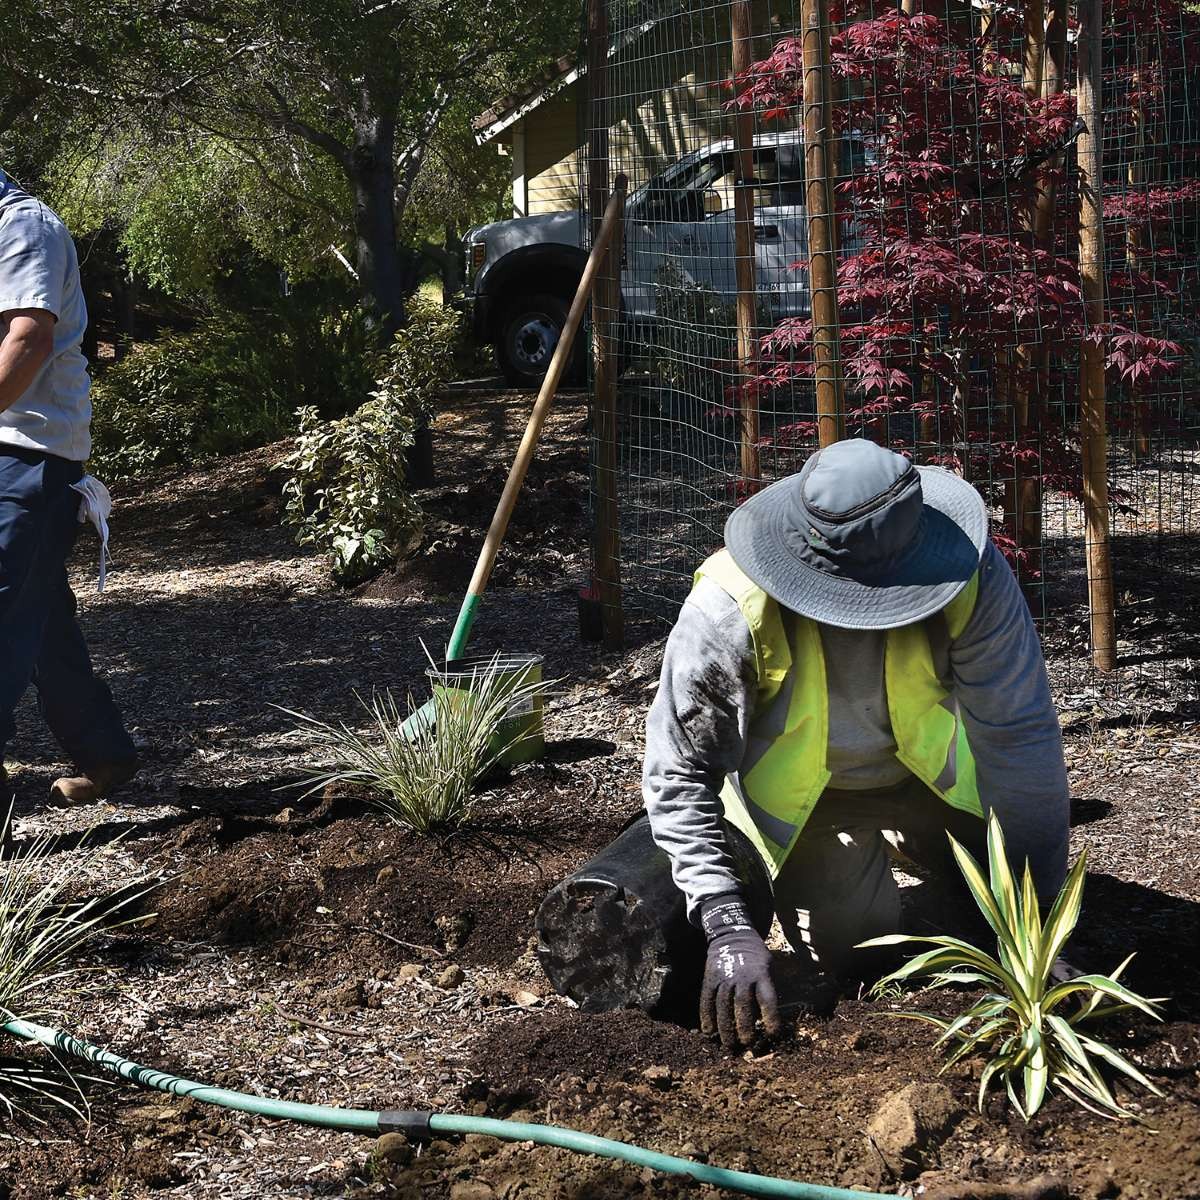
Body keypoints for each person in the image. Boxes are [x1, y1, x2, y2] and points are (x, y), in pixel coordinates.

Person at [642, 438, 1071, 1048]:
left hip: (935, 783)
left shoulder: (969, 575)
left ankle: (926, 847)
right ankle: (858, 871)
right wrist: (727, 922)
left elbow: (1018, 736)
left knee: (985, 920)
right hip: (813, 803)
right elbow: (679, 772)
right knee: (858, 953)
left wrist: (1040, 913)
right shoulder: (728, 609)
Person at [0, 165, 138, 804]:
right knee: (42, 614)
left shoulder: (25, 226)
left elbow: (28, 342)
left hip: (26, 457)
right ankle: (104, 754)